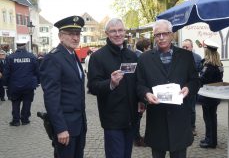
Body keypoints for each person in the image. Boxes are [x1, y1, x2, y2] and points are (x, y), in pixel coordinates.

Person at [136, 19, 200, 158]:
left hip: (180, 120)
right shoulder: (144, 59)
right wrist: (146, 94)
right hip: (157, 121)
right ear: (154, 36)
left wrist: (188, 88)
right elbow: (139, 85)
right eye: (157, 34)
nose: (161, 37)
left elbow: (195, 80)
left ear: (172, 35)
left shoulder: (186, 56)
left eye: (165, 34)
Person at [87, 18, 138, 158]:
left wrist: (142, 100)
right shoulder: (98, 57)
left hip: (131, 118)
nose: (117, 34)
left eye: (120, 30)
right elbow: (92, 86)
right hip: (112, 120)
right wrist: (111, 83)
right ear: (107, 34)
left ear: (125, 32)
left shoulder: (132, 55)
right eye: (113, 31)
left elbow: (137, 83)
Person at [40, 15, 87, 158]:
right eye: (71, 34)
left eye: (77, 34)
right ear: (60, 36)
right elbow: (51, 97)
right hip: (65, 128)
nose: (75, 38)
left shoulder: (72, 55)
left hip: (78, 125)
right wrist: (60, 128)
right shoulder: (53, 58)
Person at [3, 39, 39, 126]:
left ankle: (16, 121)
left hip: (14, 85)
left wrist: (5, 84)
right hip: (28, 84)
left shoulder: (11, 57)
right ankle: (25, 119)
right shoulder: (32, 56)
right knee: (27, 102)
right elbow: (37, 71)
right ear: (25, 46)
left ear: (17, 46)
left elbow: (6, 72)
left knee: (15, 102)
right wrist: (37, 81)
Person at [197, 38, 223, 148]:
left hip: (207, 96)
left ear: (207, 51)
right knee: (213, 117)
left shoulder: (208, 65)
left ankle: (210, 141)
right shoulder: (219, 64)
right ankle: (212, 139)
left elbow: (201, 79)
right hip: (215, 95)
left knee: (208, 118)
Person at [182, 39, 202, 136]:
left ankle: (192, 127)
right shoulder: (178, 57)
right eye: (183, 47)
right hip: (180, 88)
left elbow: (200, 72)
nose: (185, 48)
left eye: (187, 47)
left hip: (192, 88)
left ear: (192, 47)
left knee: (192, 109)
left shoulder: (197, 58)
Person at [134, 38, 151, 147]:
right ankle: (137, 139)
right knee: (138, 116)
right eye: (149, 47)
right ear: (145, 48)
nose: (150, 49)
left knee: (137, 116)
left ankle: (136, 137)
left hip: (136, 94)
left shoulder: (135, 54)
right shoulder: (141, 57)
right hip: (139, 95)